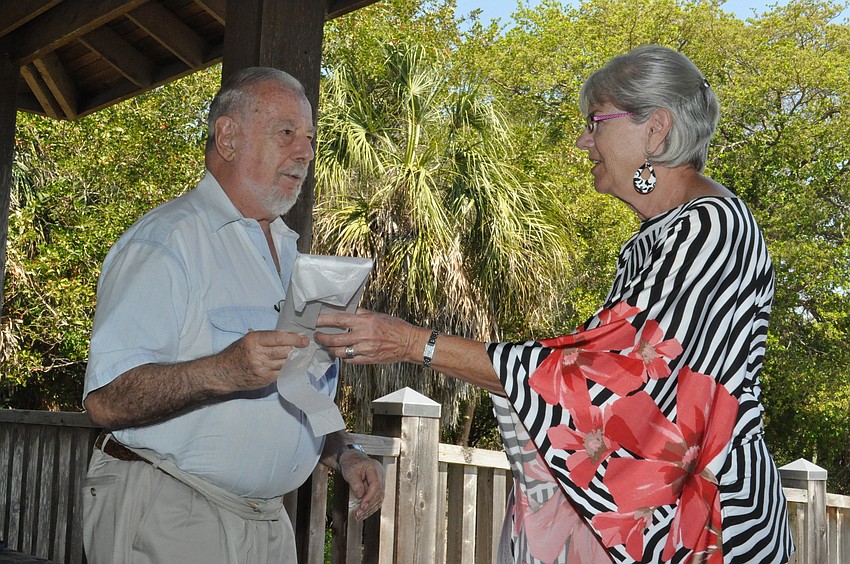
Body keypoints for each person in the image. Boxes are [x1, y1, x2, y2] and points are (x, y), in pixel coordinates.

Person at [315, 45, 794, 563]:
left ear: (655, 129)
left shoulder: (710, 228)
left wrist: (413, 343)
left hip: (712, 525)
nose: (584, 141)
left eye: (596, 122)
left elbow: (607, 375)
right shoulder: (666, 232)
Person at [82, 67, 384, 564]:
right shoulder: (165, 242)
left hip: (268, 525)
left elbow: (294, 390)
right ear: (228, 137)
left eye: (309, 138)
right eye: (286, 132)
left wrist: (341, 452)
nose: (305, 152)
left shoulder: (289, 253)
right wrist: (224, 370)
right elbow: (106, 400)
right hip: (172, 513)